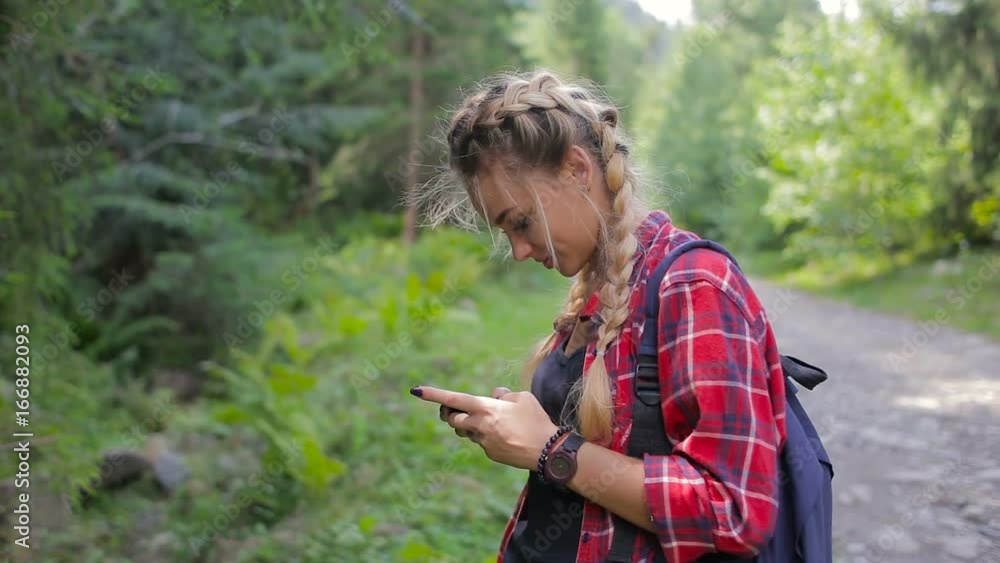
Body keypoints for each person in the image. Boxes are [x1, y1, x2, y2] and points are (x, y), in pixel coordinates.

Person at [407, 70, 788, 563]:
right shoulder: (600, 287)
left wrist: (552, 451)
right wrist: (519, 427)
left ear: (576, 169)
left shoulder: (693, 286)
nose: (519, 250)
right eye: (505, 232)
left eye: (520, 222)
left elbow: (735, 513)